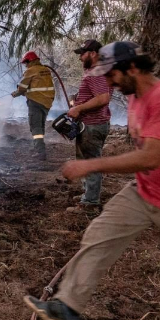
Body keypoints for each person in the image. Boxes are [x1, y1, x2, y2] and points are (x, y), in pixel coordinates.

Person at [24, 42, 160, 320]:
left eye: (112, 75)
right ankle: (67, 306)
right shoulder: (135, 97)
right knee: (99, 235)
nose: (108, 82)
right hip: (145, 190)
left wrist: (90, 165)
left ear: (132, 68)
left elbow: (152, 156)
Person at [67, 39, 113, 210]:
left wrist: (79, 108)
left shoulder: (97, 72)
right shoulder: (95, 71)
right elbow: (96, 94)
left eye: (82, 54)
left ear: (93, 53)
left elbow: (103, 98)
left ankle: (90, 202)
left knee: (92, 163)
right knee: (85, 161)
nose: (80, 58)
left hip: (93, 126)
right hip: (88, 124)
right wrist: (77, 100)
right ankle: (88, 193)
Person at [12, 51, 55, 160]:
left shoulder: (30, 71)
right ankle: (38, 147)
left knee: (35, 127)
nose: (25, 65)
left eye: (26, 62)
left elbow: (22, 88)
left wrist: (15, 94)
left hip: (35, 102)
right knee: (40, 126)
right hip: (47, 102)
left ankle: (40, 152)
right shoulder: (45, 70)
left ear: (30, 60)